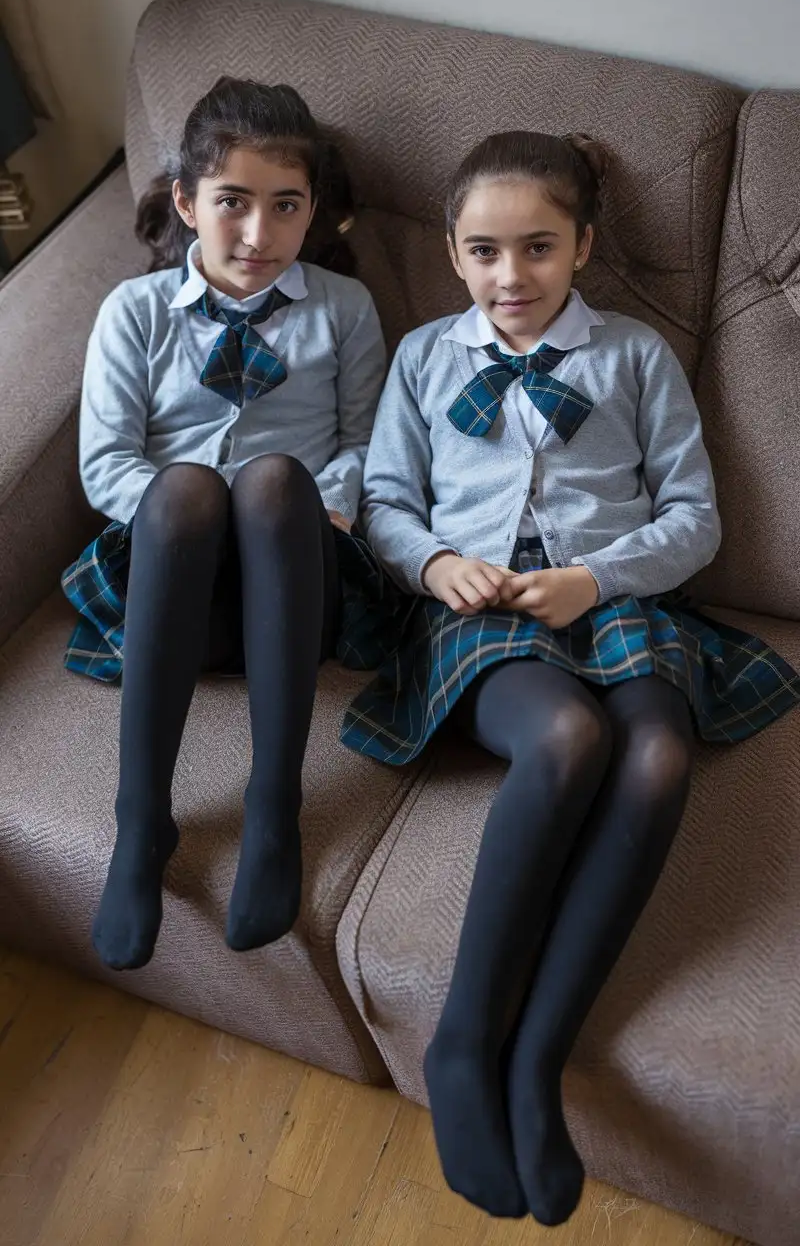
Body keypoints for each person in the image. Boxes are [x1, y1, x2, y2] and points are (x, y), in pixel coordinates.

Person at [341, 130, 800, 1226]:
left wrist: (595, 579)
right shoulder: (422, 359)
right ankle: (463, 1043)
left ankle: (535, 1055)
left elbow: (693, 520)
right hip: (479, 609)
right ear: (454, 254)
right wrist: (436, 561)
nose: (511, 276)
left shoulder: (634, 358)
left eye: (537, 247)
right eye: (485, 250)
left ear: (582, 246)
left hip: (617, 598)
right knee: (564, 741)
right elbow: (386, 502)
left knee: (651, 753)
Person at [62, 77, 386, 973]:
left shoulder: (345, 312)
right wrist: (193, 503)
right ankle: (142, 823)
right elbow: (106, 465)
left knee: (277, 482)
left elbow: (368, 446)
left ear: (313, 209)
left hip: (297, 584)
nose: (257, 234)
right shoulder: (135, 315)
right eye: (233, 204)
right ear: (186, 201)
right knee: (187, 490)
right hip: (179, 592)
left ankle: (273, 808)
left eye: (286, 207)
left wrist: (326, 503)